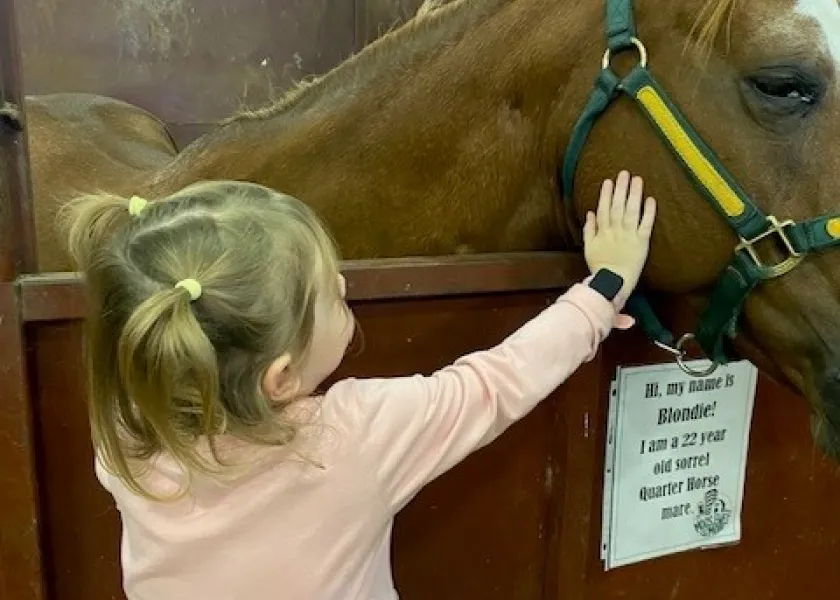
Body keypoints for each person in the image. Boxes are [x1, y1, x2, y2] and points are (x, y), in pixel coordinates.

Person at [60, 170, 656, 600]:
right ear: (282, 377)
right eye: (327, 293)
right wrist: (603, 287)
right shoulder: (351, 435)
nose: (344, 288)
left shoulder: (126, 436)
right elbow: (496, 383)